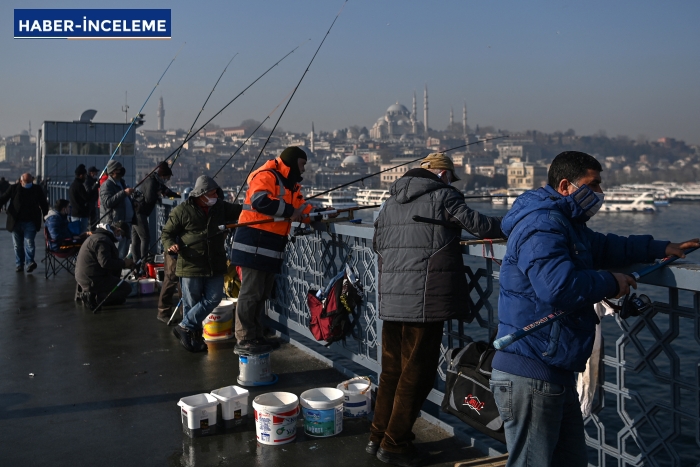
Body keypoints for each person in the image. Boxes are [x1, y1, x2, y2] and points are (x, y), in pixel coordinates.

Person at [489, 151, 700, 467]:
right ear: (565, 186)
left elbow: (606, 247)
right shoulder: (543, 224)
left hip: (553, 368)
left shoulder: (564, 222)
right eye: (594, 185)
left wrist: (660, 248)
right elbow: (557, 287)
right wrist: (611, 281)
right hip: (532, 371)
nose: (600, 194)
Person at [370, 153, 503, 467]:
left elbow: (377, 244)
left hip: (391, 298)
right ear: (443, 175)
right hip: (425, 299)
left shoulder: (389, 203)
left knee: (391, 372)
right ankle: (394, 444)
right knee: (415, 374)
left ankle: (377, 436)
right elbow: (481, 226)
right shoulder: (445, 197)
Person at [230, 146, 317, 353]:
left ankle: (257, 335)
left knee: (261, 294)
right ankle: (244, 338)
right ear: (293, 161)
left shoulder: (291, 186)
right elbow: (261, 201)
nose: (303, 170)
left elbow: (302, 209)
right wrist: (290, 211)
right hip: (253, 243)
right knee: (250, 294)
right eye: (302, 164)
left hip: (270, 247)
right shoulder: (267, 175)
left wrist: (321, 215)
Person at [161, 175, 241, 352]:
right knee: (192, 303)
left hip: (215, 262)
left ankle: (184, 326)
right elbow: (166, 234)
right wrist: (170, 246)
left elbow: (240, 211)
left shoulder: (219, 207)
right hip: (191, 264)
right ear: (202, 194)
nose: (215, 196)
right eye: (212, 193)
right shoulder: (182, 211)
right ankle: (194, 340)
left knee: (214, 298)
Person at [132, 161, 179, 275]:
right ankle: (142, 264)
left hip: (137, 211)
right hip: (140, 212)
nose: (167, 180)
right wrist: (158, 194)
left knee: (136, 240)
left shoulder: (156, 181)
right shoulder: (152, 182)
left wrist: (176, 196)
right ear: (163, 175)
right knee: (145, 238)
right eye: (167, 177)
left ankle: (136, 265)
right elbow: (149, 199)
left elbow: (167, 191)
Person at [75, 220, 134, 308]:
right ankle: (97, 298)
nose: (122, 238)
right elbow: (105, 263)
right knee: (126, 288)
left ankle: (94, 293)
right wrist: (123, 263)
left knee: (116, 272)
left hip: (84, 276)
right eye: (123, 235)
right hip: (90, 279)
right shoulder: (103, 240)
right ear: (118, 231)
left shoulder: (99, 236)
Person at [0, 173, 49, 273]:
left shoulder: (37, 189)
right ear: (21, 181)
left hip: (30, 221)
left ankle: (30, 262)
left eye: (30, 182)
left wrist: (46, 216)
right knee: (18, 245)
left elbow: (43, 203)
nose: (28, 184)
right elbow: (4, 198)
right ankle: (19, 264)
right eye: (26, 182)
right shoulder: (14, 188)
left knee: (29, 242)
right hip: (15, 221)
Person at [100, 160, 135, 258]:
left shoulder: (122, 183)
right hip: (116, 225)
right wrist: (124, 193)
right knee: (117, 252)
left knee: (124, 252)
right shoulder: (107, 185)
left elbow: (124, 200)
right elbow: (108, 203)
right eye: (119, 169)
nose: (122, 170)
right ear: (113, 171)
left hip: (126, 223)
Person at [157, 250, 181, 324]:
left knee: (183, 280)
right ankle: (163, 312)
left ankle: (185, 311)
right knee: (171, 278)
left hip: (184, 251)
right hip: (173, 252)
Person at [69, 164, 91, 234]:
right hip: (81, 215)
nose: (85, 177)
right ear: (81, 175)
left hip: (74, 214)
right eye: (85, 175)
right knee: (82, 235)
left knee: (76, 235)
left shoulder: (73, 185)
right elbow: (86, 198)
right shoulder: (79, 186)